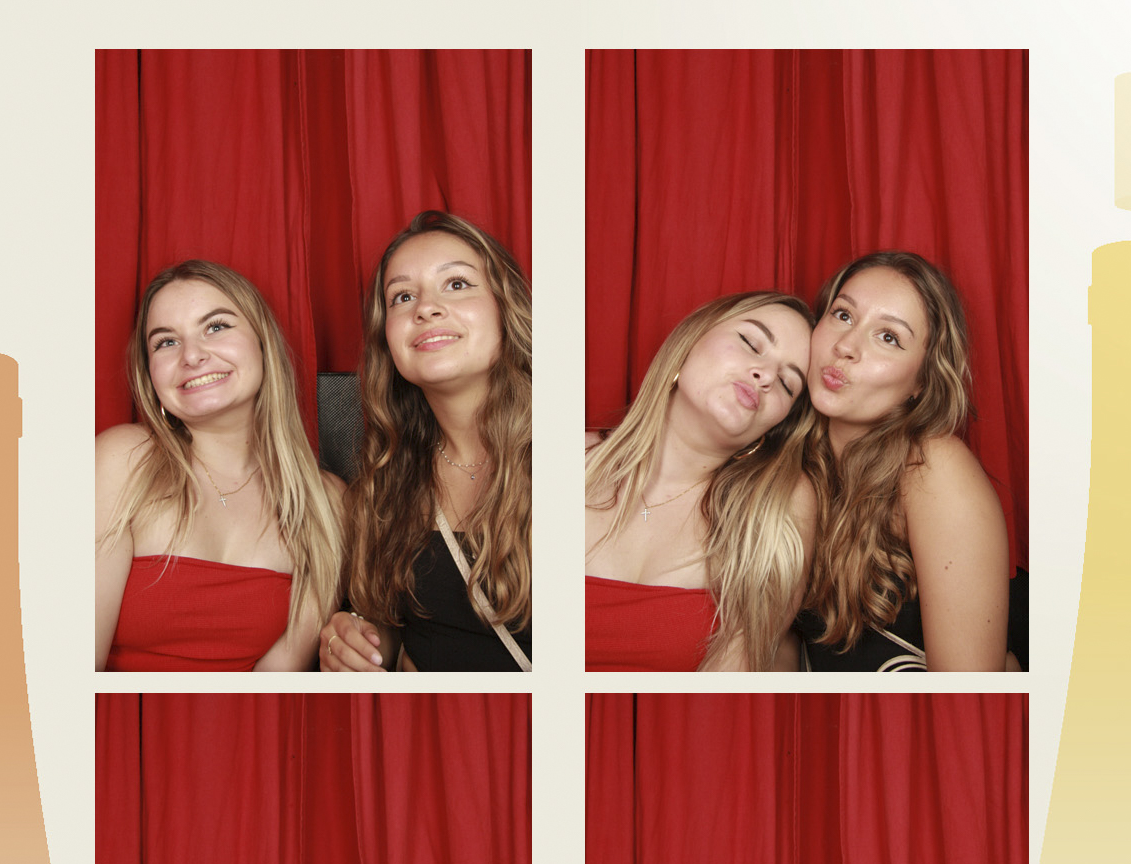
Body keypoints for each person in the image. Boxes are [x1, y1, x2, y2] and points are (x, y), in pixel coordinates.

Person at [96, 259, 344, 671]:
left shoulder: (327, 504)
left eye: (216, 326)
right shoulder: (123, 460)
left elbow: (273, 686)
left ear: (262, 343)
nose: (192, 356)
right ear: (150, 375)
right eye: (166, 342)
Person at [319, 212, 531, 674]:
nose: (426, 308)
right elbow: (398, 628)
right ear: (386, 339)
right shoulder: (382, 483)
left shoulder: (584, 466)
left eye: (456, 284)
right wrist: (358, 639)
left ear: (506, 307)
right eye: (403, 296)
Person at [795, 251, 1011, 672]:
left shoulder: (933, 468)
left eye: (889, 337)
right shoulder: (788, 454)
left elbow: (969, 692)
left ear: (921, 382)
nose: (846, 347)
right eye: (843, 315)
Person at [585, 293, 815, 672]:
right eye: (751, 343)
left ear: (776, 426)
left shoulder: (777, 508)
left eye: (788, 384)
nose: (766, 375)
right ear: (690, 340)